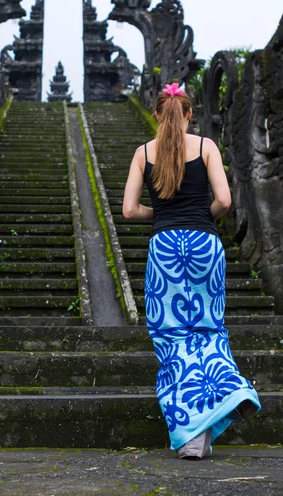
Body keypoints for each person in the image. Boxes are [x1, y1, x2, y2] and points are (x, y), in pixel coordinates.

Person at [122, 83, 261, 459]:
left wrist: (164, 217)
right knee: (207, 327)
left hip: (165, 248)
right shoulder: (205, 147)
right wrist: (200, 216)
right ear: (188, 114)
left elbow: (129, 210)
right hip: (204, 245)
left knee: (172, 336)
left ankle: (190, 435)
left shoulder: (142, 154)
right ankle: (231, 391)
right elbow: (225, 200)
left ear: (156, 114)